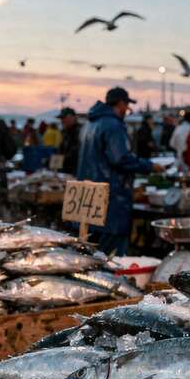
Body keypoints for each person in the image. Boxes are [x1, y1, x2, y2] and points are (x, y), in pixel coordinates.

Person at [77, 87, 161, 255]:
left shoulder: (89, 124)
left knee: (91, 254)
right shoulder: (113, 125)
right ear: (121, 103)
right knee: (111, 257)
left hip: (90, 199)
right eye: (126, 106)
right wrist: (149, 166)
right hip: (112, 199)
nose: (127, 110)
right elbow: (121, 158)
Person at [57, 107, 81, 174]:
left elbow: (75, 154)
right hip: (66, 171)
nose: (62, 121)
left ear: (74, 117)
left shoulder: (80, 132)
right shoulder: (65, 132)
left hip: (75, 171)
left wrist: (62, 160)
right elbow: (61, 150)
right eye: (61, 118)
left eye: (65, 118)